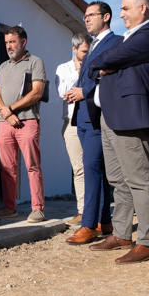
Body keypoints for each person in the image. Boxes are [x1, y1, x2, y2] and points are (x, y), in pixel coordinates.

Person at [87, 0, 149, 263]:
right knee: (117, 179)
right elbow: (96, 62)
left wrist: (111, 63)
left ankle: (146, 242)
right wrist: (109, 63)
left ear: (142, 8)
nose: (121, 14)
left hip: (130, 116)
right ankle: (122, 233)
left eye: (125, 8)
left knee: (138, 180)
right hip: (110, 116)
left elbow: (105, 59)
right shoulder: (127, 39)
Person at [63, 1, 121, 244]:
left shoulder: (116, 42)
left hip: (98, 117)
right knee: (97, 171)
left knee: (91, 169)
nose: (86, 19)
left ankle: (88, 225)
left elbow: (111, 76)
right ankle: (104, 220)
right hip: (84, 117)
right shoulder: (93, 44)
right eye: (85, 16)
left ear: (106, 17)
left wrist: (83, 91)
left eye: (91, 15)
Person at [0, 26, 47, 223]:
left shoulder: (35, 62)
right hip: (4, 123)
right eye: (6, 42)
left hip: (28, 121)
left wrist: (10, 109)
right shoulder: (3, 67)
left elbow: (37, 93)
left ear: (23, 42)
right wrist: (6, 114)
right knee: (7, 169)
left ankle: (38, 209)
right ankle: (9, 208)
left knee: (33, 166)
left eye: (12, 42)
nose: (9, 46)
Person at [55, 32, 92, 226]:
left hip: (93, 120)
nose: (87, 54)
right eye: (84, 51)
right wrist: (78, 73)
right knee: (79, 169)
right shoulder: (63, 68)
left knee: (95, 166)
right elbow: (63, 92)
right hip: (71, 122)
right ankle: (83, 210)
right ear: (74, 49)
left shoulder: (94, 65)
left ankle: (98, 209)